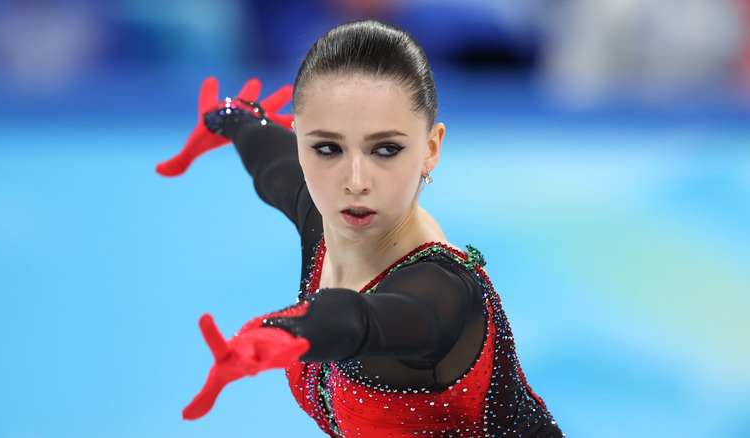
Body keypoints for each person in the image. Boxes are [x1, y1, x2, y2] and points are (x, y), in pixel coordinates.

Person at [159, 19, 563, 438]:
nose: (355, 180)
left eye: (385, 149)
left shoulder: (443, 294)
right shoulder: (321, 215)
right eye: (327, 148)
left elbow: (360, 319)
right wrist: (230, 117)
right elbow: (268, 158)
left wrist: (284, 331)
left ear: (430, 149)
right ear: (299, 142)